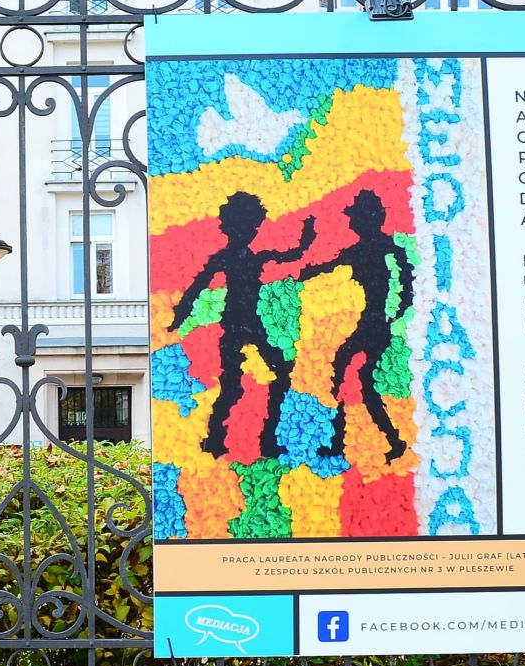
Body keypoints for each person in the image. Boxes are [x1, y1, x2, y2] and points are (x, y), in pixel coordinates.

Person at [169, 191, 315, 458]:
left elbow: (293, 254)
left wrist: (307, 236)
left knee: (276, 374)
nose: (252, 231)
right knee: (234, 386)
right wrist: (179, 317)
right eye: (248, 226)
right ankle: (219, 439)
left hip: (252, 326)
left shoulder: (254, 257)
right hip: (235, 326)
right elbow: (196, 288)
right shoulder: (227, 258)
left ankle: (261, 439)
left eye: (253, 226)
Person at [298, 190, 413, 464]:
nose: (351, 222)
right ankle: (375, 440)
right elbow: (330, 265)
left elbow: (406, 280)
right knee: (353, 376)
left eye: (355, 217)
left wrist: (396, 312)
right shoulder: (380, 249)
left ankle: (354, 441)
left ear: (365, 220)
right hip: (373, 323)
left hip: (375, 324)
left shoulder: (374, 250)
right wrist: (398, 310)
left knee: (352, 377)